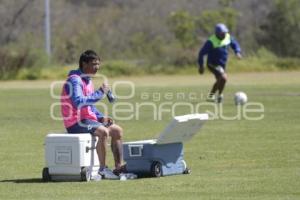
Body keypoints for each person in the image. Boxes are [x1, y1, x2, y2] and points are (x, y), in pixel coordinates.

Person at [60, 50, 124, 179]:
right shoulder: (75, 80)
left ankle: (118, 168)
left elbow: (89, 106)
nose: (97, 67)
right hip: (75, 122)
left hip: (87, 120)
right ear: (84, 64)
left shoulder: (87, 80)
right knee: (103, 132)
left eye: (98, 64)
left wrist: (100, 117)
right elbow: (79, 103)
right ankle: (102, 170)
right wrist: (100, 92)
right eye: (94, 64)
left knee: (117, 130)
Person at [198, 23, 242, 103]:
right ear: (217, 33)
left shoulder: (228, 37)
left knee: (220, 80)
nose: (224, 34)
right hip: (212, 64)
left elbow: (235, 44)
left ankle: (212, 96)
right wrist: (201, 66)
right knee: (223, 78)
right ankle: (219, 95)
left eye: (225, 32)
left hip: (222, 64)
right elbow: (201, 53)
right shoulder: (211, 41)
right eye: (222, 33)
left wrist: (237, 52)